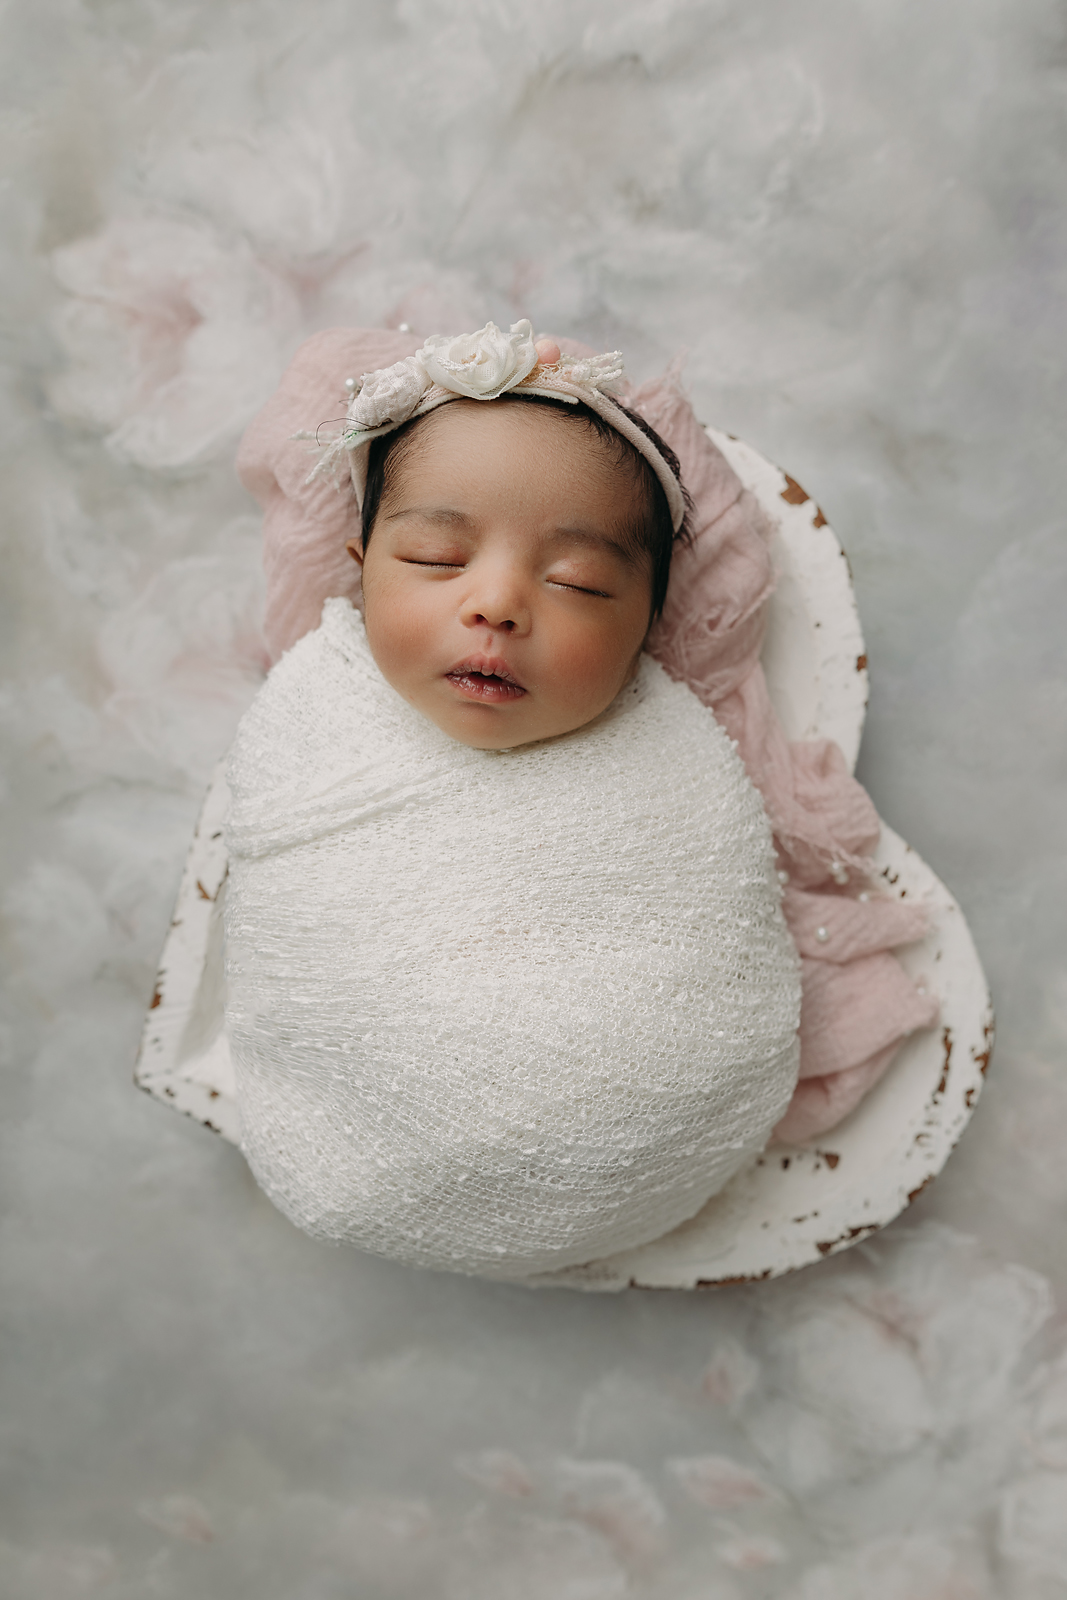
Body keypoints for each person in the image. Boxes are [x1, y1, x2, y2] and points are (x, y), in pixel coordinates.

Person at [223, 320, 937, 1280]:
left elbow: (711, 932)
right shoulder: (320, 702)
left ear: (649, 626)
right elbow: (291, 925)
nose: (497, 603)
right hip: (354, 1139)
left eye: (579, 582)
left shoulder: (668, 749)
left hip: (656, 1133)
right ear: (359, 569)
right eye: (436, 557)